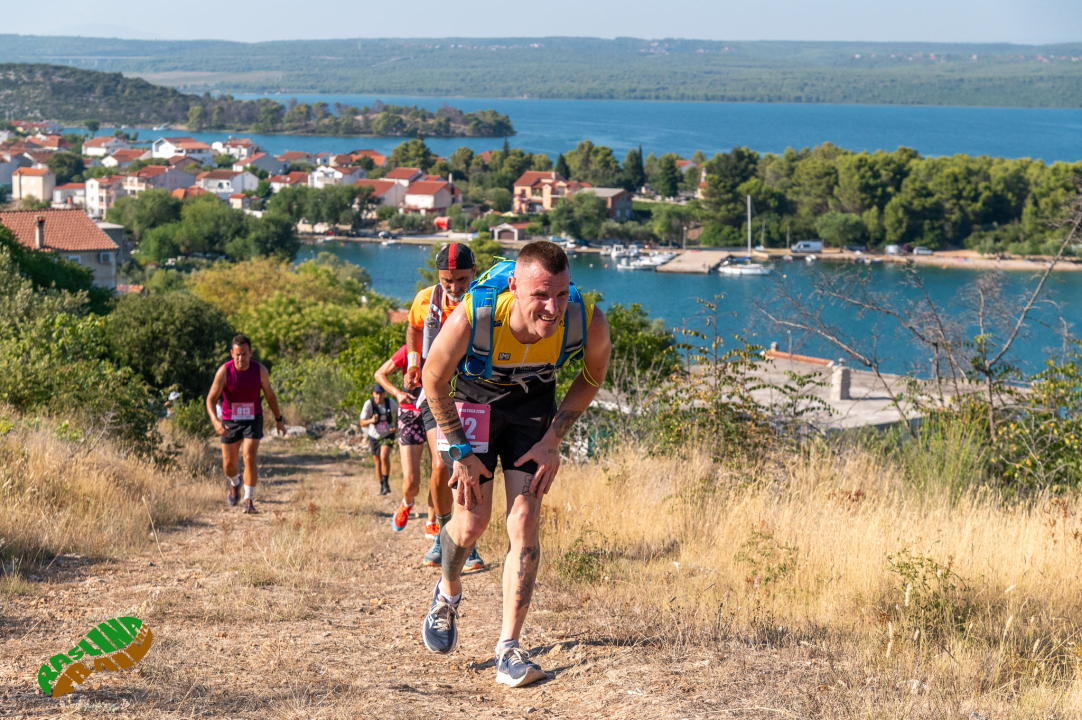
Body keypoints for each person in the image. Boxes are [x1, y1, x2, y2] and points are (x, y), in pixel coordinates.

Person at [419, 240, 611, 688]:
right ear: (514, 285)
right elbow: (433, 378)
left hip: (531, 404)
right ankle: (447, 593)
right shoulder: (476, 315)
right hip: (470, 398)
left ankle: (509, 647)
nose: (553, 308)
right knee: (471, 523)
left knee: (524, 521)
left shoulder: (587, 319)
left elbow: (592, 374)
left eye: (561, 294)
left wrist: (553, 439)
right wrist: (460, 452)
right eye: (541, 296)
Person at [407, 242, 485, 570]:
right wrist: (413, 363)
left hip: (473, 394)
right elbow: (413, 328)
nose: (454, 288)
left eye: (462, 280)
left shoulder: (484, 301)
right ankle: (442, 533)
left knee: (468, 467)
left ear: (474, 273)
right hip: (434, 392)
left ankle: (468, 543)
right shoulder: (426, 299)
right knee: (442, 465)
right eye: (447, 280)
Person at [205, 334, 286, 514]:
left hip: (253, 418)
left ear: (250, 353)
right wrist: (216, 422)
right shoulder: (224, 372)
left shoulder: (260, 371)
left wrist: (279, 420)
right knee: (229, 464)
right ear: (232, 353)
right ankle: (235, 482)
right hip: (230, 420)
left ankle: (248, 499)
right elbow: (210, 400)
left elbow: (270, 396)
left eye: (244, 354)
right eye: (237, 354)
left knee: (249, 457)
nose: (241, 358)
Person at [374, 344, 437, 535]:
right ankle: (407, 502)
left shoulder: (447, 341)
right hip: (410, 414)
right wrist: (397, 393)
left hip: (438, 411)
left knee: (439, 470)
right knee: (411, 481)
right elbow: (380, 374)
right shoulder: (409, 350)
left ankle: (431, 522)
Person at [359, 384, 397, 496]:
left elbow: (401, 413)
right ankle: (382, 485)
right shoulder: (369, 404)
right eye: (377, 393)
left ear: (384, 394)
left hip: (387, 434)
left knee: (384, 456)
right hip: (374, 435)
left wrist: (397, 427)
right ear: (373, 394)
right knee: (377, 461)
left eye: (381, 393)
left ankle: (386, 483)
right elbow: (362, 422)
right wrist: (371, 420)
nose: (378, 396)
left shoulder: (390, 402)